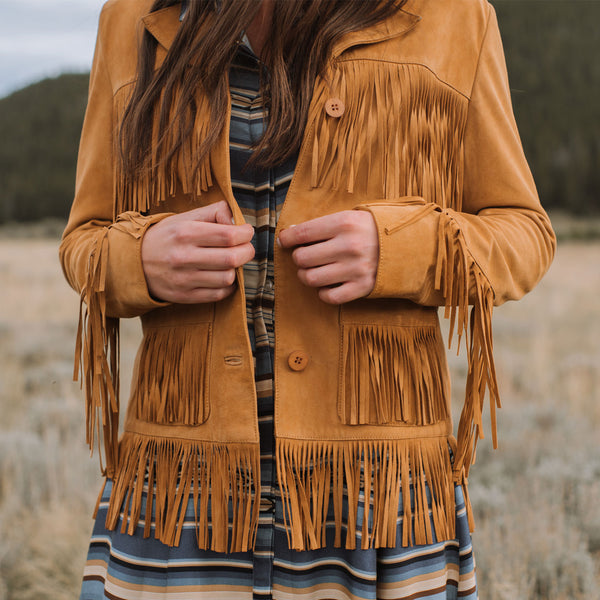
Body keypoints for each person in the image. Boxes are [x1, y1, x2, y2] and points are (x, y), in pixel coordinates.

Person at [60, 0, 556, 598]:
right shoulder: (134, 18)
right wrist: (139, 260)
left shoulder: (454, 15)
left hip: (377, 496)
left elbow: (525, 233)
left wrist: (402, 248)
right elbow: (83, 244)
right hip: (182, 493)